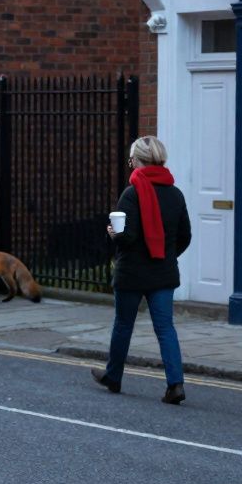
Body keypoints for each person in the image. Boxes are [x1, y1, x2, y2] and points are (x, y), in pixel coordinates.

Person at [91, 136, 192, 404]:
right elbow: (185, 236)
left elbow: (128, 236)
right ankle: (175, 385)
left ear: (139, 161)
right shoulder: (175, 193)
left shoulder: (132, 192)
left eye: (131, 158)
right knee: (165, 328)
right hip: (163, 272)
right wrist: (166, 255)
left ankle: (113, 376)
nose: (130, 163)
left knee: (123, 325)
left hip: (132, 273)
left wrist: (113, 234)